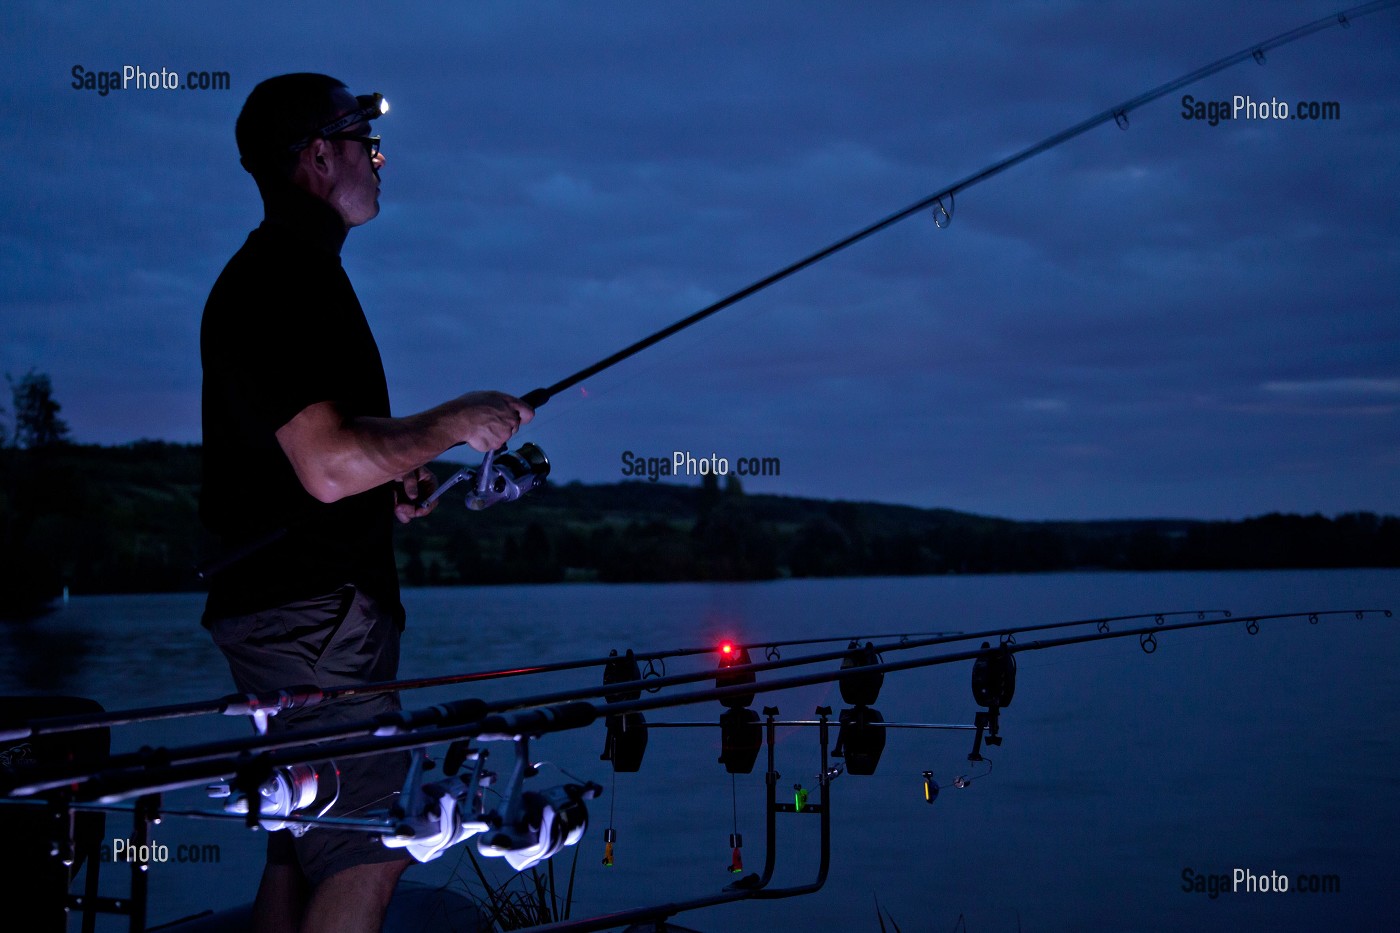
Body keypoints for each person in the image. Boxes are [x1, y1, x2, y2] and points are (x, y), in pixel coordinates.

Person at [199, 73, 533, 933]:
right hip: (316, 621)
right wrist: (454, 420)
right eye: (364, 142)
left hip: (284, 612)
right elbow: (328, 462)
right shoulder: (282, 278)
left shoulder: (281, 273)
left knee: (297, 832)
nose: (379, 161)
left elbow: (329, 449)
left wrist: (398, 471)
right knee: (369, 841)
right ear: (319, 155)